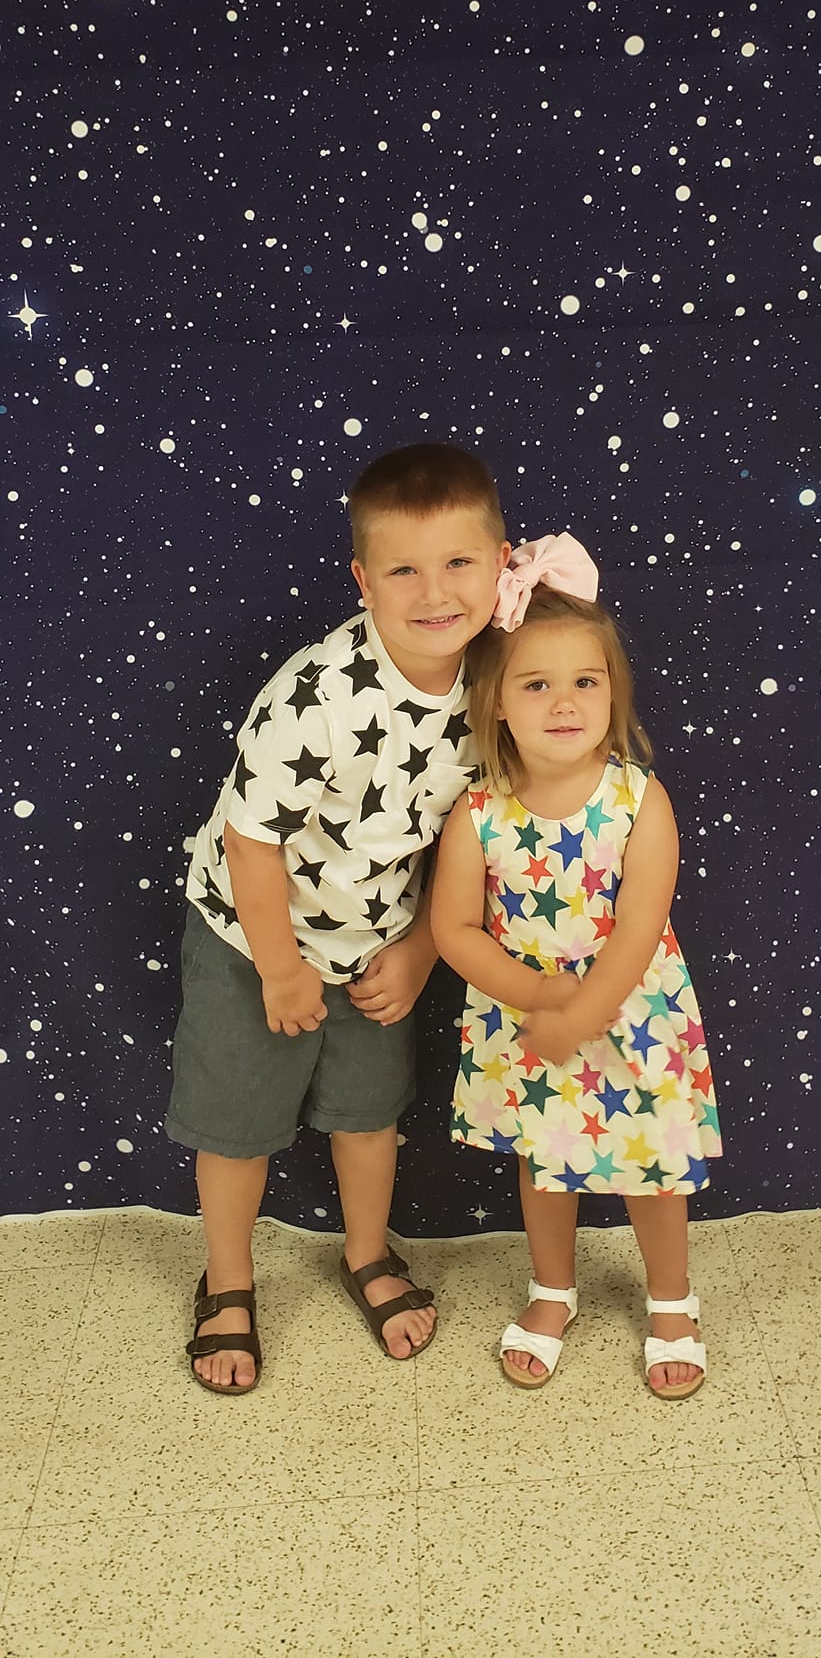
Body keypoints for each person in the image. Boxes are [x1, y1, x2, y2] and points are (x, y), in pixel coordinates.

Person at [166, 443, 511, 1392]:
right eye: (403, 568)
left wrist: (420, 952)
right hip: (255, 932)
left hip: (381, 936)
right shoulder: (317, 695)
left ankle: (367, 1252)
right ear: (363, 579)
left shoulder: (498, 682)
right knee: (237, 1121)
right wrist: (279, 967)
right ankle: (227, 1282)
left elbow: (472, 838)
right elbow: (252, 842)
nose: (435, 592)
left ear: (501, 563)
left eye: (459, 564)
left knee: (368, 1115)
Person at [431, 535, 722, 1396]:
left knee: (654, 1170)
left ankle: (671, 1298)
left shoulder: (639, 798)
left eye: (584, 682)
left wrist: (588, 1008)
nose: (564, 702)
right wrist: (540, 998)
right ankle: (551, 1289)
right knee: (543, 1160)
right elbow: (454, 928)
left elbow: (642, 922)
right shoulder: (478, 811)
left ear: (613, 692)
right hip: (530, 1018)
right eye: (536, 683)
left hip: (631, 1015)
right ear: (495, 705)